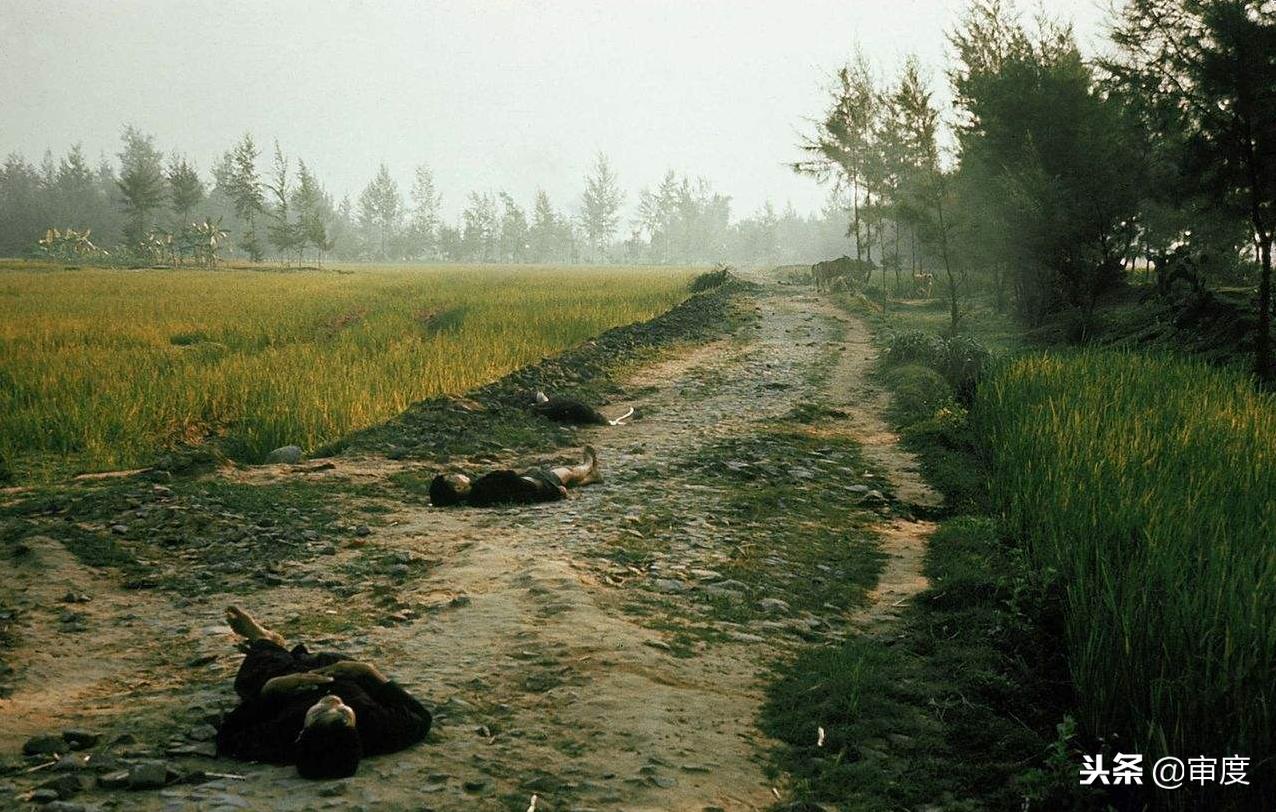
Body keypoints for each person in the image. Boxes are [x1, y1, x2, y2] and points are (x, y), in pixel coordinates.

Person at [215, 606, 431, 779]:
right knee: (323, 658)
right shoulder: (376, 729)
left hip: (287, 683)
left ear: (302, 731)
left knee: (254, 677)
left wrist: (271, 690)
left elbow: (228, 738)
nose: (333, 702)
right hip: (340, 673)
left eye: (318, 712)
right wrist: (368, 671)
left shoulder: (283, 737)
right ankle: (274, 647)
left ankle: (262, 639)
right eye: (345, 712)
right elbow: (422, 716)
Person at [430, 446, 602, 507]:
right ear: (459, 488)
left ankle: (592, 478)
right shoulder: (487, 488)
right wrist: (555, 494)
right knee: (568, 472)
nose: (458, 474)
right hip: (540, 484)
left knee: (565, 481)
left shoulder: (477, 497)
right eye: (454, 478)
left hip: (533, 482)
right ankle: (588, 465)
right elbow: (520, 494)